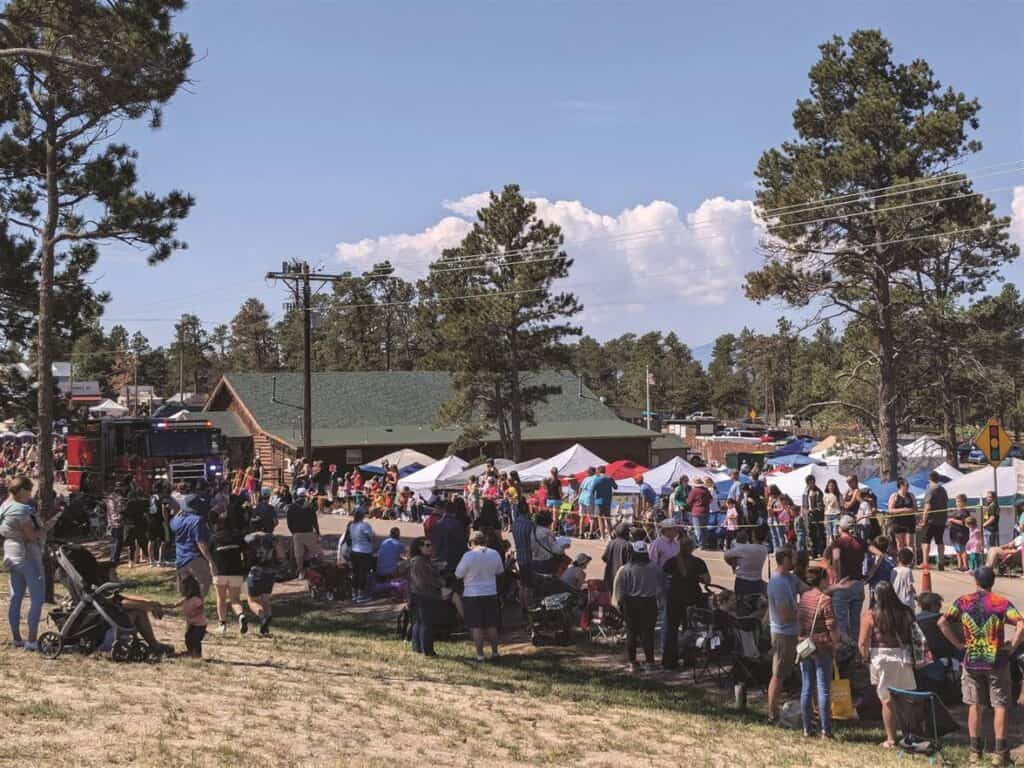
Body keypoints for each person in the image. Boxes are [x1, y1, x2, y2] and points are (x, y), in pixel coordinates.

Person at [939, 567, 1023, 766]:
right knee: (1000, 705)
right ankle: (999, 752)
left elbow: (942, 622)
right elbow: (1020, 624)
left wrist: (958, 644)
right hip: (996, 661)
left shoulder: (963, 601)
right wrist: (1013, 646)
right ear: (993, 582)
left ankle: (974, 752)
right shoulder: (1001, 603)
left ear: (976, 581)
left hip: (972, 660)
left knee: (974, 705)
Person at [858, 581, 918, 748]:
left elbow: (863, 642)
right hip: (902, 656)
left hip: (881, 657)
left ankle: (891, 738)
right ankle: (909, 736)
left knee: (886, 700)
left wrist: (865, 659)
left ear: (877, 596)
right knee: (907, 699)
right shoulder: (906, 612)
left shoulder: (871, 615)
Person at [1, 476, 44, 650]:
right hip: (26, 553)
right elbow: (30, 535)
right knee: (37, 597)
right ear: (20, 490)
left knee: (16, 597)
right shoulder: (21, 510)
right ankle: (32, 640)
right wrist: (43, 529)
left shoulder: (4, 506)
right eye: (28, 491)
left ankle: (17, 638)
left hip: (10, 553)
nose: (30, 495)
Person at [798, 565, 839, 739]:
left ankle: (807, 728)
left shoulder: (805, 597)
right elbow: (831, 625)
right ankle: (825, 730)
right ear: (821, 580)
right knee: (823, 688)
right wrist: (836, 642)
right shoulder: (825, 599)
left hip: (805, 645)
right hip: (822, 645)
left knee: (807, 687)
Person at [612, 540, 664, 672]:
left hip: (631, 603)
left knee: (631, 633)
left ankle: (632, 662)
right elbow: (661, 588)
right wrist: (660, 601)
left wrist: (619, 604)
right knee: (648, 633)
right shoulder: (655, 568)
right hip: (649, 603)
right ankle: (650, 662)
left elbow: (620, 590)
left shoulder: (626, 569)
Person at [454, 530, 505, 662]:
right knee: (491, 625)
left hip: (472, 593)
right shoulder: (494, 553)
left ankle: (480, 655)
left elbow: (458, 574)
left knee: (476, 626)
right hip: (490, 592)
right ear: (485, 541)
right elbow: (500, 571)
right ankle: (495, 653)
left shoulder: (468, 556)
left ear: (471, 543)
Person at [661, 536, 709, 670]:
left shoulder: (671, 562)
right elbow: (707, 580)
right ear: (692, 548)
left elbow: (663, 577)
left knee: (672, 630)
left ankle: (669, 661)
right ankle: (689, 659)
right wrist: (697, 578)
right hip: (692, 600)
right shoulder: (698, 562)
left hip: (674, 599)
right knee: (690, 630)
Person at [766, 547, 801, 723]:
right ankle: (772, 714)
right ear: (785, 559)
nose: (795, 561)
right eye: (793, 558)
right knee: (778, 674)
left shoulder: (790, 577)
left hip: (793, 632)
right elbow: (784, 614)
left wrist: (833, 587)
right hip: (783, 634)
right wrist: (806, 613)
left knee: (787, 672)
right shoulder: (778, 582)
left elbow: (807, 589)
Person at [169, 486, 215, 598]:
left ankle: (187, 606)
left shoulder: (175, 520)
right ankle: (197, 605)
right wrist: (210, 560)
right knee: (204, 581)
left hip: (180, 557)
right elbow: (200, 542)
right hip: (195, 558)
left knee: (186, 587)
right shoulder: (197, 520)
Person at [402, 537, 444, 657]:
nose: (430, 547)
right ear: (419, 547)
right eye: (427, 545)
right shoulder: (419, 561)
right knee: (426, 623)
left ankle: (417, 649)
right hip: (424, 595)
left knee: (419, 622)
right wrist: (440, 583)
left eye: (431, 545)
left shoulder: (424, 560)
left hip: (419, 594)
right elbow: (422, 581)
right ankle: (427, 650)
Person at [826, 515, 865, 642]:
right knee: (855, 622)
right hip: (858, 584)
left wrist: (837, 577)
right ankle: (855, 650)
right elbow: (880, 555)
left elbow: (836, 558)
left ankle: (845, 651)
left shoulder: (838, 542)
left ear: (841, 528)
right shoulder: (859, 541)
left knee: (841, 624)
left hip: (843, 584)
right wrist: (870, 573)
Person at [209, 515, 250, 635]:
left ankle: (222, 624)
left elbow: (209, 555)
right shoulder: (237, 537)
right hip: (236, 571)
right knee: (235, 600)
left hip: (219, 572)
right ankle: (241, 615)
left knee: (221, 599)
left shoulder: (213, 538)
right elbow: (246, 551)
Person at [244, 532, 276, 636]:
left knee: (252, 601)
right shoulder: (271, 538)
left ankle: (263, 617)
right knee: (266, 599)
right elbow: (280, 554)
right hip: (270, 571)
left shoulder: (248, 538)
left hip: (255, 571)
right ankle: (266, 628)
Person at [286, 487, 321, 579]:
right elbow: (315, 521)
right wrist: (317, 532)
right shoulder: (309, 506)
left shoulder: (292, 507)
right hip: (308, 532)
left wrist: (293, 532)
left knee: (299, 554)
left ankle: (301, 572)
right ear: (305, 495)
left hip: (297, 533)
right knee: (317, 553)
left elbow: (289, 522)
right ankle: (318, 570)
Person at [723, 528, 768, 596]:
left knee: (741, 603)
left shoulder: (744, 548)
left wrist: (733, 564)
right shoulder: (764, 549)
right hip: (757, 580)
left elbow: (726, 555)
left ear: (753, 536)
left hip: (743, 581)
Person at [172, 574, 208, 658]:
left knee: (195, 639)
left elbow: (201, 608)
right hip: (191, 623)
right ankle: (190, 651)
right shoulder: (185, 599)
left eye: (184, 589)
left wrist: (194, 614)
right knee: (188, 637)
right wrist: (163, 606)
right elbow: (174, 605)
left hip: (200, 625)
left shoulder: (196, 599)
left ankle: (197, 654)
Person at [919, 471, 949, 571]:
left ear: (930, 479)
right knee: (939, 541)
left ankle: (925, 562)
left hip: (931, 520)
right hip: (941, 519)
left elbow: (927, 507)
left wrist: (923, 520)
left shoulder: (930, 490)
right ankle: (941, 562)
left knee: (925, 540)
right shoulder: (943, 490)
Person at [347, 509, 376, 603]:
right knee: (363, 573)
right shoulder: (365, 525)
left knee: (355, 573)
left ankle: (354, 594)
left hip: (354, 551)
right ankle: (361, 595)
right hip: (364, 552)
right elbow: (371, 538)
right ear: (362, 515)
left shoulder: (352, 525)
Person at [886, 478, 917, 561]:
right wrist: (903, 510)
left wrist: (910, 510)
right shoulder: (894, 496)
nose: (907, 487)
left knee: (910, 543)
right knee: (900, 543)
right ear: (901, 486)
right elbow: (890, 510)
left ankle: (911, 561)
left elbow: (915, 508)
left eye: (908, 485)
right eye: (906, 485)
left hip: (909, 522)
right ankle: (901, 560)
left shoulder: (911, 495)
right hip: (897, 522)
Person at [511, 503, 535, 607]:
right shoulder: (530, 524)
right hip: (529, 556)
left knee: (523, 584)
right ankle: (528, 607)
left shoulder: (514, 524)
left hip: (520, 555)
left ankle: (523, 607)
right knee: (529, 585)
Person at [106, 480, 128, 577]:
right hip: (117, 522)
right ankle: (114, 562)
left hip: (111, 522)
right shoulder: (119, 498)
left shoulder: (110, 497)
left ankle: (113, 560)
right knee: (118, 543)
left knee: (115, 542)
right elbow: (121, 510)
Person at [602, 523, 632, 591]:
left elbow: (604, 558)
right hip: (622, 576)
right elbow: (630, 562)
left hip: (610, 575)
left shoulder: (611, 543)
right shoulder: (628, 545)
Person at [591, 466, 618, 541]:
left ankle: (602, 536)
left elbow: (592, 490)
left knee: (600, 518)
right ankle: (610, 535)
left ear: (598, 471)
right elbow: (616, 487)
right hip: (608, 500)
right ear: (605, 471)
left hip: (598, 501)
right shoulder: (609, 478)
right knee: (608, 519)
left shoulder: (596, 479)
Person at [802, 474, 825, 556]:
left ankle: (821, 551)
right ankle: (813, 552)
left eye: (812, 482)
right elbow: (804, 505)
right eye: (809, 482)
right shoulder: (805, 492)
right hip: (807, 517)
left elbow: (821, 506)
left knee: (819, 534)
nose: (810, 484)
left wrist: (813, 510)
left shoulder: (818, 492)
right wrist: (804, 511)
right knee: (810, 534)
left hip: (817, 516)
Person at [686, 478, 712, 550]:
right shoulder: (706, 490)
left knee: (698, 529)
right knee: (704, 529)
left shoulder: (694, 491)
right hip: (706, 511)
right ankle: (705, 544)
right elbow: (711, 499)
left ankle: (701, 545)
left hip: (696, 511)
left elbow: (689, 502)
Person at [948, 493, 970, 572]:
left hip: (961, 533)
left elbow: (963, 522)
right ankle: (959, 566)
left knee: (962, 550)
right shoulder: (956, 511)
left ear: (963, 502)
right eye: (956, 501)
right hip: (954, 533)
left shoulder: (965, 512)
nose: (957, 503)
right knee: (957, 551)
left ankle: (965, 566)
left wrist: (952, 520)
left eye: (958, 501)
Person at [823, 478, 842, 545]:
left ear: (835, 486)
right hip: (828, 515)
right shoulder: (825, 495)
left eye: (833, 486)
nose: (831, 487)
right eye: (830, 485)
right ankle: (828, 549)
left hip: (836, 515)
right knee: (828, 534)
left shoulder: (838, 495)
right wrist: (824, 518)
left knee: (835, 533)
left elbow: (841, 506)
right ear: (827, 486)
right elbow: (825, 507)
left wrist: (841, 515)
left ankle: (836, 547)